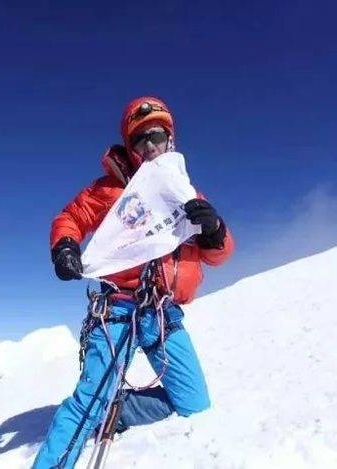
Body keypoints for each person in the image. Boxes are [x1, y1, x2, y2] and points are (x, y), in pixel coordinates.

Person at [32, 97, 235, 468]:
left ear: (170, 140)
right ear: (130, 147)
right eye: (140, 139)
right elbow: (71, 218)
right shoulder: (109, 190)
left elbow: (219, 255)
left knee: (193, 402)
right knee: (88, 403)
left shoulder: (186, 193)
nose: (150, 146)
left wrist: (213, 229)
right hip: (118, 310)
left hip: (163, 314)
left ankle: (118, 406)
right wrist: (64, 246)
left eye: (156, 136)